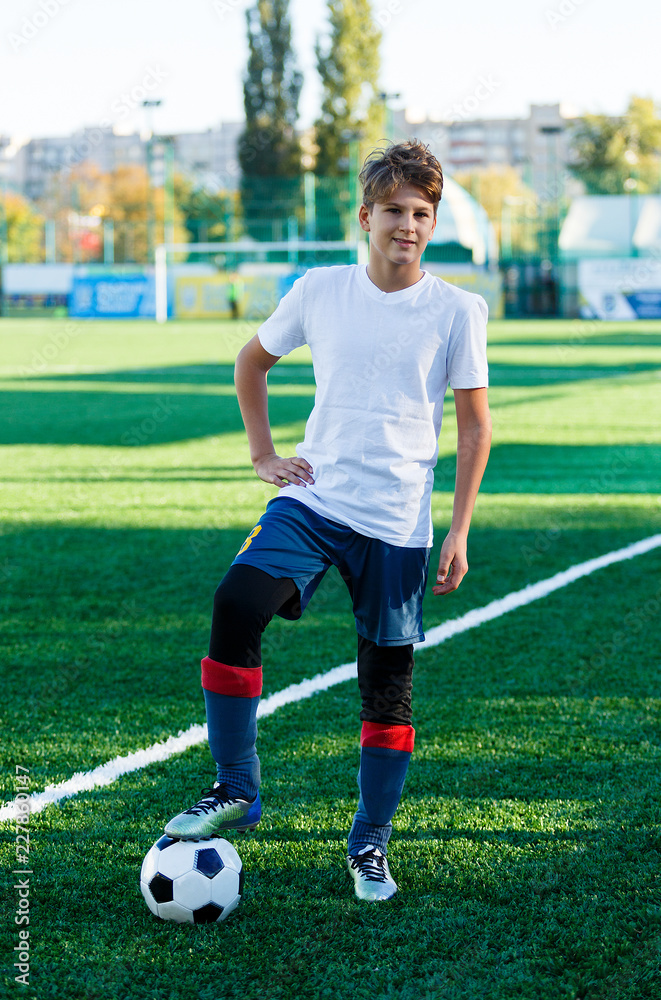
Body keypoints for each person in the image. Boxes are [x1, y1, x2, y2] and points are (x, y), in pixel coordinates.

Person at [165, 140, 492, 903]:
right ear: (365, 216)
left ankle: (369, 844)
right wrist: (263, 455)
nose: (405, 225)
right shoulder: (319, 290)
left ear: (432, 221)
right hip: (313, 499)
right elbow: (251, 363)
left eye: (420, 213)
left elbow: (474, 428)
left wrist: (458, 529)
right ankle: (236, 788)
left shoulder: (456, 310)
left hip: (398, 523)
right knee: (235, 603)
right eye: (393, 212)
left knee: (387, 686)